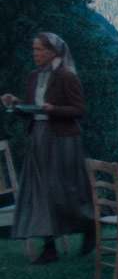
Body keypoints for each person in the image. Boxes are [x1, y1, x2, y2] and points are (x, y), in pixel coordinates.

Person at [2, 32, 94, 264]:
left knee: (65, 191)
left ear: (53, 52)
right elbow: (32, 110)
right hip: (39, 139)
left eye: (40, 50)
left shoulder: (66, 77)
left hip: (63, 141)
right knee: (40, 192)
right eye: (34, 49)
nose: (35, 54)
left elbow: (78, 110)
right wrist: (15, 104)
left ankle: (90, 224)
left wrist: (53, 109)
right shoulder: (34, 77)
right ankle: (49, 247)